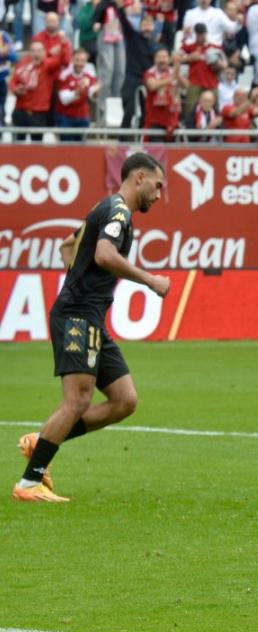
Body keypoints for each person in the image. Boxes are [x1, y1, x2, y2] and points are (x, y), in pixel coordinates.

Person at [15, 153, 170, 503]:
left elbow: (67, 245)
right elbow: (103, 255)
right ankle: (28, 483)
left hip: (90, 315)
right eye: (158, 186)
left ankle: (41, 445)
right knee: (78, 400)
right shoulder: (118, 213)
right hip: (78, 315)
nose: (160, 195)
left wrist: (77, 279)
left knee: (124, 400)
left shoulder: (104, 207)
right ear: (139, 177)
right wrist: (149, 280)